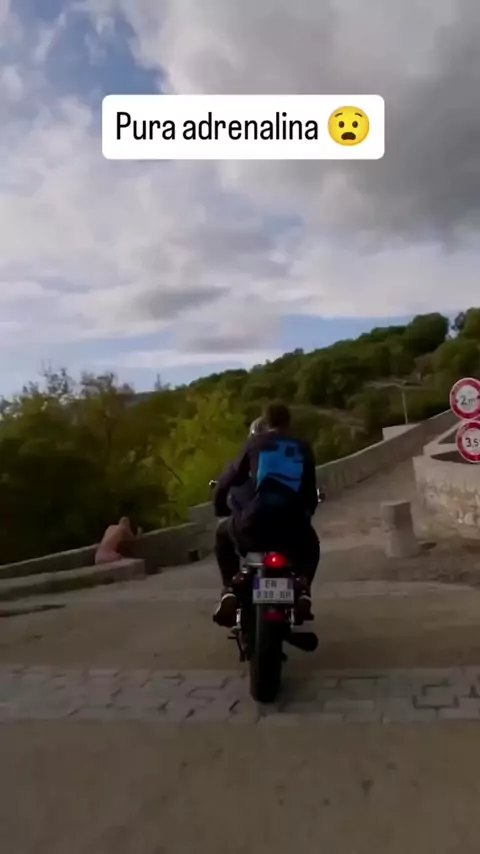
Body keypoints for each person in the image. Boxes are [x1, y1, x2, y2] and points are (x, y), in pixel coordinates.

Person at [212, 402, 320, 627]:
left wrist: (220, 509)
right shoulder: (303, 447)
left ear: (266, 421)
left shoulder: (255, 444)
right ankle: (302, 588)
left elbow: (228, 480)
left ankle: (229, 588)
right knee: (312, 545)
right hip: (292, 527)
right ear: (289, 422)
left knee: (222, 534)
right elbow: (310, 491)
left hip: (255, 523)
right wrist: (305, 516)